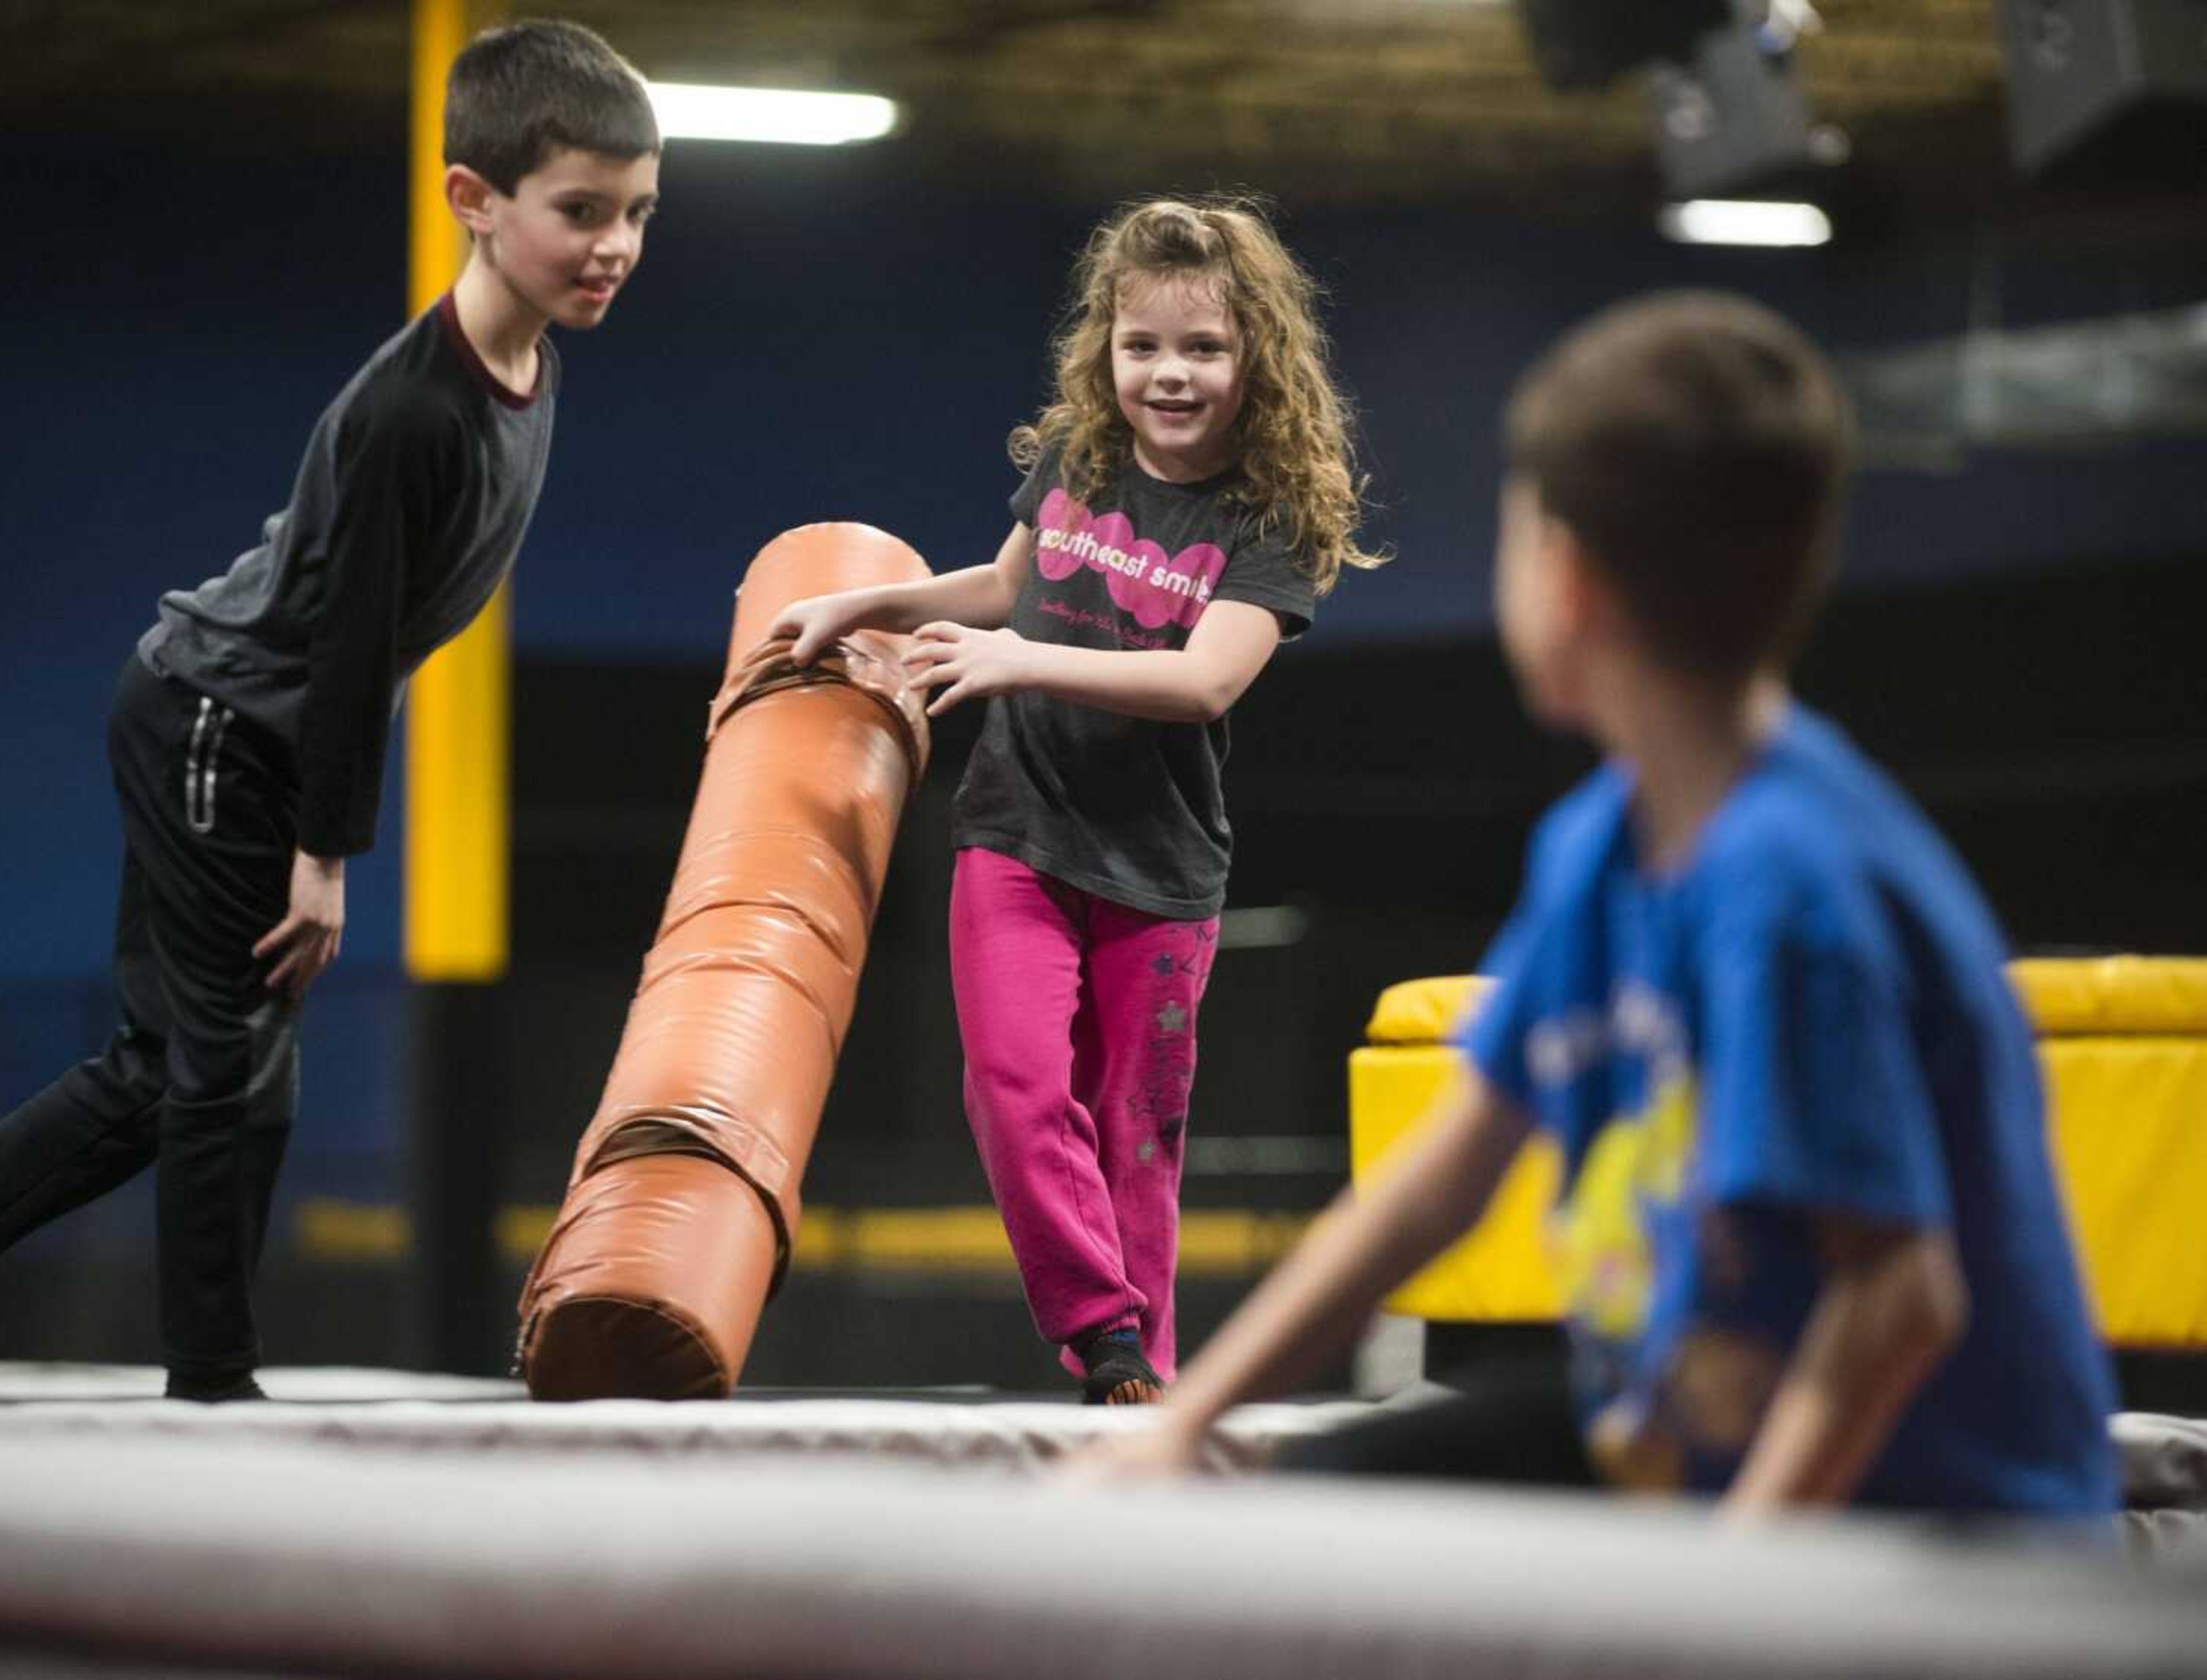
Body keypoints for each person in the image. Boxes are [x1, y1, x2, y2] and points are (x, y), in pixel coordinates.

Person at [1087, 291, 2118, 1514]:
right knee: (1332, 1491)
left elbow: (1901, 1298)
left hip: (1941, 1523)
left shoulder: (1791, 880)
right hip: (1702, 1437)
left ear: (1564, 579)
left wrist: (1724, 1585)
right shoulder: (1603, 847)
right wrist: (1189, 1420)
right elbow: (1438, 1184)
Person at [0, 19, 663, 1404]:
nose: (615, 246)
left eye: (639, 214)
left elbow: (390, 636)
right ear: (473, 199)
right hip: (218, 720)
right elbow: (352, 645)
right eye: (581, 211)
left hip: (239, 715)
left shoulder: (532, 370)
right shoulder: (415, 410)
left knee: (169, 1059)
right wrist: (325, 851)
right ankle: (212, 1381)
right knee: (229, 1068)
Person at [768, 196, 1386, 1404]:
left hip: (1160, 871)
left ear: (1255, 354)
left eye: (1202, 348)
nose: (1169, 372)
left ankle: (1137, 1373)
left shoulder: (1272, 519)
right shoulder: (1078, 456)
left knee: (1133, 1132)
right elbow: (1008, 587)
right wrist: (867, 605)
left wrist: (1020, 663)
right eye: (1142, 344)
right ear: (1105, 347)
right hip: (1020, 829)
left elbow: (1206, 680)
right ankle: (1103, 1323)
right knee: (1010, 1083)